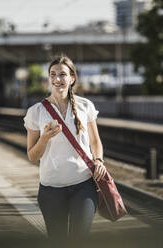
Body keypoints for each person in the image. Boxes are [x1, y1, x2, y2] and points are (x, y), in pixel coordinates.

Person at [23, 54, 107, 242]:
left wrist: (99, 160)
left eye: (62, 74)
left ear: (72, 78)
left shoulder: (85, 105)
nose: (57, 79)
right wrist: (44, 138)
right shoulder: (36, 111)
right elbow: (32, 156)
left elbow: (95, 142)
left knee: (79, 240)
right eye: (52, 74)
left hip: (84, 186)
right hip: (51, 189)